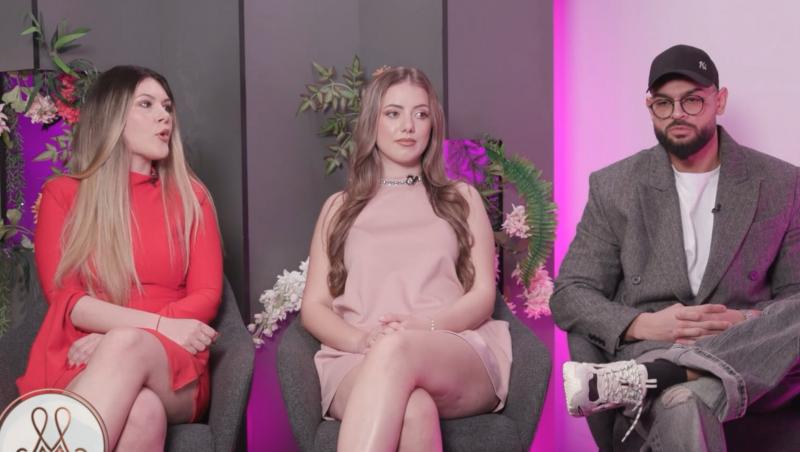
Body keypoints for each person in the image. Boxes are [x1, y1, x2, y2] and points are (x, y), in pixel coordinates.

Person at [552, 44, 800, 450]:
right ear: (650, 106)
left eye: (692, 100)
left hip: (751, 355)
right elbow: (570, 293)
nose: (677, 114)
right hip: (655, 345)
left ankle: (664, 376)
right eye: (663, 103)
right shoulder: (616, 185)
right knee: (686, 402)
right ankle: (671, 373)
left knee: (686, 397)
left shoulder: (780, 183)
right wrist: (642, 324)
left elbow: (795, 296)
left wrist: (744, 322)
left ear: (719, 101)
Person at [300, 66, 512, 451]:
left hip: (449, 345)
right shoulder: (339, 208)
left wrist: (423, 326)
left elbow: (483, 295)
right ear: (372, 122)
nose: (408, 126)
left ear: (433, 124)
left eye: (421, 113)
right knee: (414, 410)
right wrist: (362, 340)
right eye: (393, 113)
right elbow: (314, 307)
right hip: (357, 355)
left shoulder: (462, 198)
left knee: (396, 348)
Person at [17, 66, 223, 450]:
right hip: (83, 354)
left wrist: (125, 337)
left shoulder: (192, 198)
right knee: (143, 412)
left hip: (173, 362)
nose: (164, 116)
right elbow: (67, 300)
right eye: (146, 104)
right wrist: (145, 328)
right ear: (112, 117)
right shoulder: (63, 194)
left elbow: (207, 296)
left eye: (167, 106)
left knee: (126, 345)